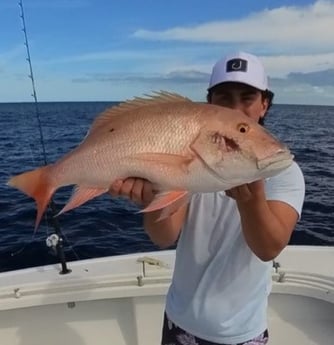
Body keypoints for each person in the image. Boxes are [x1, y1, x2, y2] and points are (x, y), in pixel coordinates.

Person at [109, 52, 305, 345]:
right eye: (224, 98)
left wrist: (250, 201)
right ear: (209, 103)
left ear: (264, 104)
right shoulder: (193, 159)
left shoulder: (284, 171)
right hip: (180, 321)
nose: (236, 108)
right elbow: (163, 236)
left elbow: (268, 248)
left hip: (243, 332)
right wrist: (149, 200)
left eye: (247, 98)